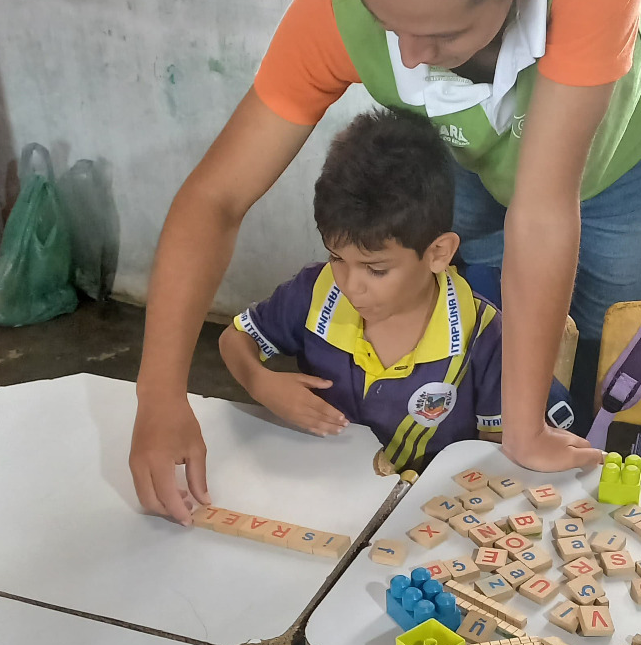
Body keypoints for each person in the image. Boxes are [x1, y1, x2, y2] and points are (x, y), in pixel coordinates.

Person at [130, 0, 641, 522]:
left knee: (605, 339)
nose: (412, 56)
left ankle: (563, 441)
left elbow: (546, 204)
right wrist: (159, 394)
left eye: (444, 34)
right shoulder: (338, 1)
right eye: (392, 28)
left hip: (612, 160)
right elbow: (217, 197)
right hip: (464, 152)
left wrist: (525, 430)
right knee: (480, 313)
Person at [219, 109, 574, 472]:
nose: (350, 285)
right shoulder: (314, 292)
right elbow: (234, 338)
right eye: (336, 257)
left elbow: (495, 459)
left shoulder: (483, 337)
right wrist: (261, 382)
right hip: (323, 488)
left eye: (376, 269)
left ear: (438, 253)